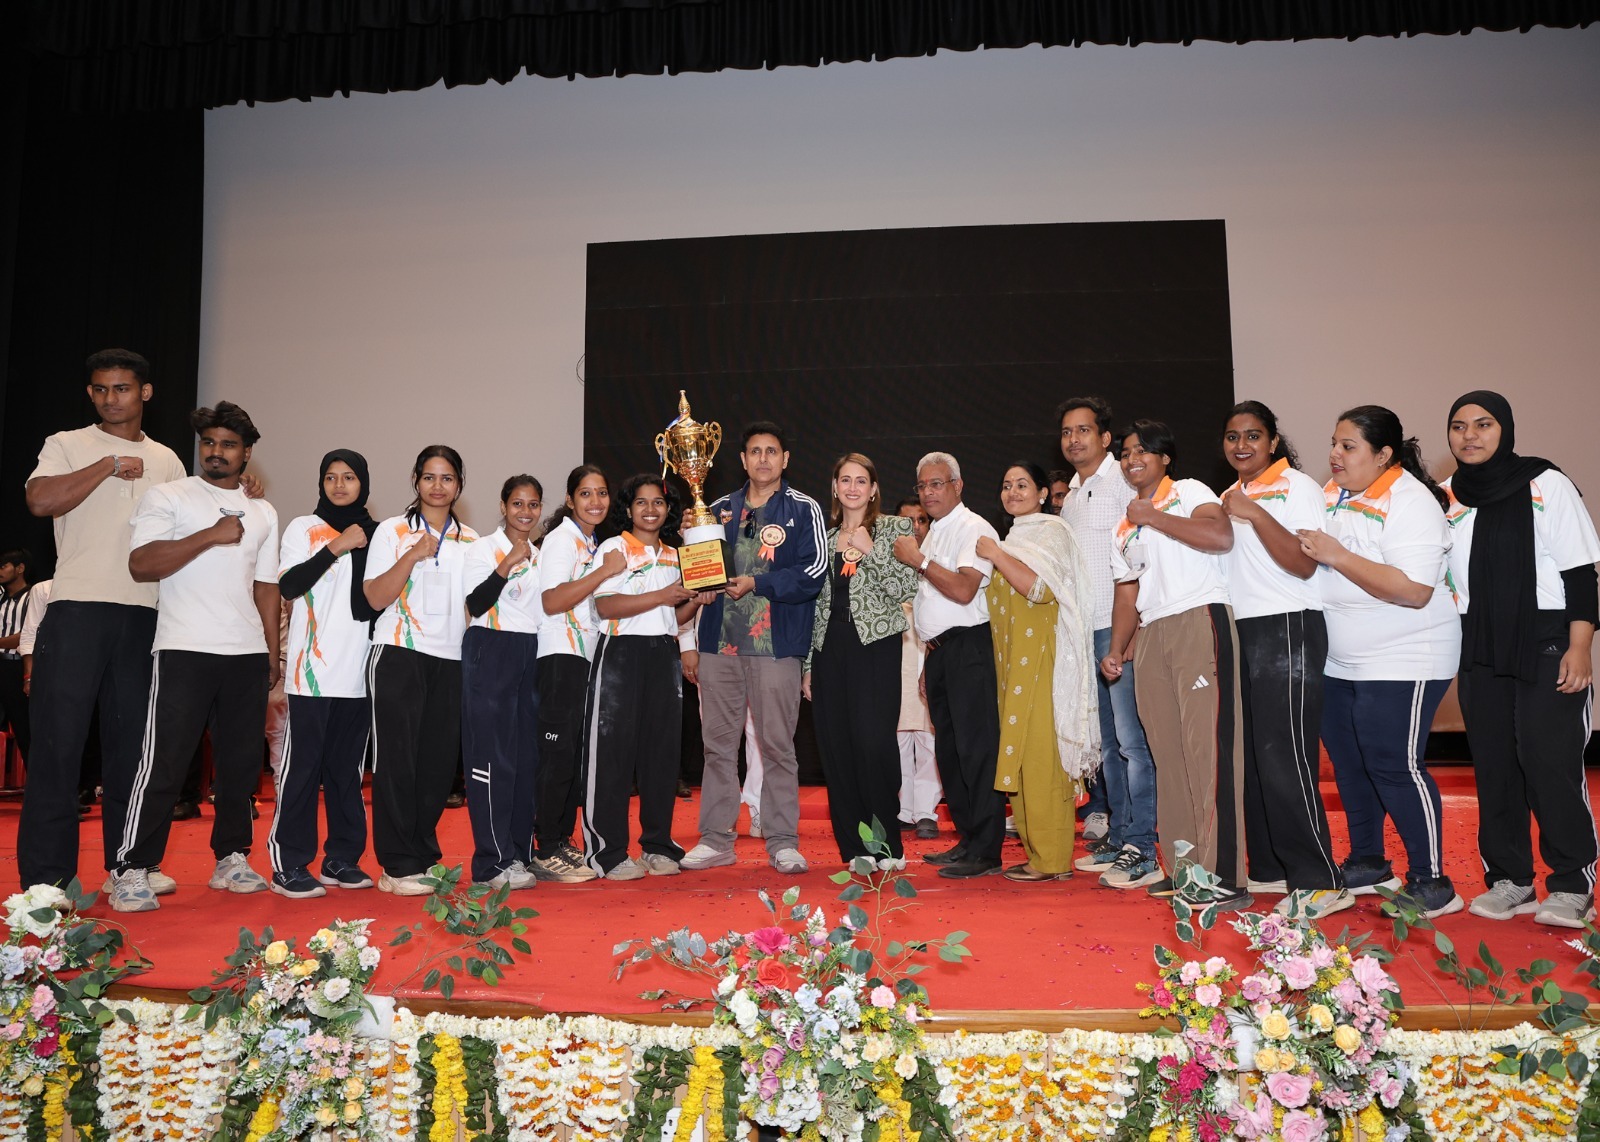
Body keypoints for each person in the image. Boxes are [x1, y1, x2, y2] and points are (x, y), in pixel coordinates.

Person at [17, 349, 189, 889]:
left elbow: (189, 533)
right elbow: (40, 501)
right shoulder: (67, 444)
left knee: (134, 751)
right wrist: (107, 465)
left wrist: (240, 494)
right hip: (76, 610)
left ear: (145, 393)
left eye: (121, 388)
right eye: (100, 389)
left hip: (145, 616)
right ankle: (48, 880)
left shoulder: (168, 460)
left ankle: (128, 865)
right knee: (56, 748)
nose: (110, 398)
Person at [111, 402, 281, 912]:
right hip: (184, 647)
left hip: (245, 652)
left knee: (239, 766)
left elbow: (267, 586)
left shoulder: (264, 510)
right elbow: (141, 563)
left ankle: (231, 856)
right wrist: (211, 534)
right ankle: (133, 866)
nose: (216, 452)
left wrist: (271, 652)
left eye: (228, 444)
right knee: (164, 762)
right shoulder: (171, 496)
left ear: (246, 452)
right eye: (209, 443)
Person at [1297, 405, 1463, 919]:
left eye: (1348, 446)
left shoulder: (1410, 500)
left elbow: (1414, 591)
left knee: (1393, 764)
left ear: (1383, 453)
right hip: (1342, 657)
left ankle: (1433, 881)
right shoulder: (1331, 494)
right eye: (1333, 443)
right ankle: (1369, 861)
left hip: (1406, 654)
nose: (1334, 454)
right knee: (1349, 764)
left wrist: (1336, 554)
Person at [1442, 392, 1599, 928]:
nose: (1471, 436)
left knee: (1550, 764)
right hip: (1479, 643)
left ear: (1504, 428)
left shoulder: (1545, 483)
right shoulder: (1447, 497)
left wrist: (1580, 648)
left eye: (1483, 425)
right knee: (1494, 766)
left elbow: (1581, 574)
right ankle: (1510, 880)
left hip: (1546, 640)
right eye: (1459, 427)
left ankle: (1572, 882)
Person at [1100, 420, 1249, 910]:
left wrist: (1155, 517)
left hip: (1198, 619)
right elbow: (1127, 593)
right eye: (1125, 451)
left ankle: (1227, 876)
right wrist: (1117, 649)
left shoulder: (1187, 491)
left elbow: (1219, 534)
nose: (1131, 458)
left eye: (1142, 450)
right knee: (1168, 756)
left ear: (1165, 458)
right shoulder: (1125, 524)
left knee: (1208, 752)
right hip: (1152, 633)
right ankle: (1188, 871)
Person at [1218, 402, 1348, 917]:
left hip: (1288, 623)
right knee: (1251, 757)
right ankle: (1272, 867)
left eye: (1253, 436)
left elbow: (1302, 563)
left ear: (1273, 441)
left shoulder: (1296, 487)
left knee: (1284, 755)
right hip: (1241, 628)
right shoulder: (1231, 495)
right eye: (1232, 437)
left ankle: (1320, 878)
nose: (1241, 445)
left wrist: (1255, 514)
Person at [681, 422, 826, 876]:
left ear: (785, 459)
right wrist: (691, 542)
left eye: (772, 451)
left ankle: (782, 841)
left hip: (775, 647)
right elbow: (697, 573)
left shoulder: (804, 509)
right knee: (717, 747)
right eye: (754, 452)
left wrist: (758, 583)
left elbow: (815, 571)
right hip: (718, 646)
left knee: (778, 747)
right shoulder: (716, 509)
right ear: (742, 461)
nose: (763, 459)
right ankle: (716, 839)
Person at [363, 445, 479, 896]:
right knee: (397, 762)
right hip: (398, 653)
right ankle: (395, 863)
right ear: (416, 481)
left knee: (435, 766)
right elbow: (373, 597)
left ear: (459, 485)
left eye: (447, 477)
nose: (437, 486)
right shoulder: (392, 531)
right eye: (429, 477)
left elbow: (474, 606)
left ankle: (423, 855)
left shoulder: (471, 539)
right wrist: (410, 555)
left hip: (450, 660)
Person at [975, 462, 1099, 883]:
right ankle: (1036, 854)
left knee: (1044, 758)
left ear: (1044, 492)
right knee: (1024, 758)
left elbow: (1041, 590)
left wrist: (995, 555)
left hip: (1045, 660)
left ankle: (1052, 859)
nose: (1013, 492)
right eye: (1006, 486)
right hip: (1012, 664)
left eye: (1022, 484)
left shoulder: (1050, 533)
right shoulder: (1013, 538)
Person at [267, 450, 381, 899]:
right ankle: (289, 864)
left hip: (358, 670)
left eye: (349, 477)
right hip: (311, 671)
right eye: (330, 477)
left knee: (346, 773)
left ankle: (342, 859)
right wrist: (336, 545)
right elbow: (290, 585)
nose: (339, 485)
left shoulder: (378, 534)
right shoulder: (304, 527)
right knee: (302, 769)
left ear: (363, 483)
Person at [586, 475, 711, 879]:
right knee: (614, 755)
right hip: (620, 653)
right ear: (628, 508)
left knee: (661, 754)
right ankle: (608, 852)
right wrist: (663, 595)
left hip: (663, 652)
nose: (650, 510)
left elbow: (672, 618)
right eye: (641, 503)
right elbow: (606, 606)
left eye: (658, 503)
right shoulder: (614, 547)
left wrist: (697, 599)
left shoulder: (679, 556)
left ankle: (658, 844)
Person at [1059, 397, 1158, 887]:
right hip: (1086, 631)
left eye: (1083, 430)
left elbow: (1141, 556)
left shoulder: (1124, 482)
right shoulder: (1073, 495)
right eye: (1066, 432)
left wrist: (1132, 629)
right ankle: (1119, 836)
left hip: (1119, 627)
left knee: (1133, 742)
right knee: (1110, 742)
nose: (1073, 439)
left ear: (1104, 438)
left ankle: (1143, 844)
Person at [892, 451, 1005, 879]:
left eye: (936, 484)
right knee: (951, 752)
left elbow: (962, 591)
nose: (928, 493)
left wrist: (918, 560)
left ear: (958, 485)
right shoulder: (937, 530)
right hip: (940, 651)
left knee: (977, 751)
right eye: (922, 486)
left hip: (969, 648)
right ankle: (969, 839)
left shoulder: (974, 528)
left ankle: (987, 850)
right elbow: (929, 602)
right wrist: (928, 659)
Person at [802, 455, 918, 867]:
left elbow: (907, 588)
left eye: (861, 480)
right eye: (845, 480)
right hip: (829, 648)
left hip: (875, 647)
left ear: (873, 489)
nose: (853, 487)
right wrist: (808, 666)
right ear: (835, 487)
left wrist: (872, 553)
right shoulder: (823, 536)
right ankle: (853, 848)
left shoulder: (893, 529)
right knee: (837, 748)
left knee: (874, 745)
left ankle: (887, 846)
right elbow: (813, 605)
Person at [533, 465, 623, 882]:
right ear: (570, 500)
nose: (595, 501)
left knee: (572, 754)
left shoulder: (588, 542)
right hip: (558, 656)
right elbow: (552, 601)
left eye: (602, 493)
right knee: (556, 756)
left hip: (583, 657)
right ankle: (544, 846)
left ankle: (560, 839)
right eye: (585, 494)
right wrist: (603, 571)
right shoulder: (559, 540)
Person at [461, 474, 547, 890]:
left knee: (524, 760)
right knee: (492, 761)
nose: (525, 512)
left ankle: (517, 853)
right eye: (517, 503)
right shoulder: (481, 548)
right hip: (489, 648)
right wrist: (506, 563)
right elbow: (475, 602)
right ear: (503, 505)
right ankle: (492, 863)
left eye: (533, 505)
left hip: (528, 653)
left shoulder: (542, 554)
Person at [893, 497, 940, 838]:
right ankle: (902, 809)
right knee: (895, 736)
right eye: (905, 520)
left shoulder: (939, 560)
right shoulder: (882, 560)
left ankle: (925, 811)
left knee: (928, 738)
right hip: (895, 655)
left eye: (921, 520)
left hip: (929, 651)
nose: (914, 526)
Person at [0, 550, 32, 765]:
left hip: (17, 666)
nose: (0, 570)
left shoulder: (33, 596)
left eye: (4, 566)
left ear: (20, 568)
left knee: (24, 728)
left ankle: (39, 786)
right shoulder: (1, 597)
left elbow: (28, 634)